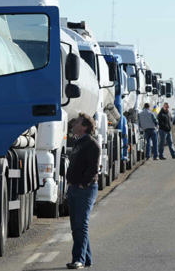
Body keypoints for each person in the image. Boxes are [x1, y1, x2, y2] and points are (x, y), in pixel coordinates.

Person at [66, 113, 100, 269]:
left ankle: (78, 259)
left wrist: (83, 184)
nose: (73, 124)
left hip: (84, 189)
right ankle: (86, 259)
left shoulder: (92, 144)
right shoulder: (78, 142)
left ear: (85, 127)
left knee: (81, 224)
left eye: (77, 123)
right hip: (74, 188)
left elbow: (93, 168)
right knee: (76, 225)